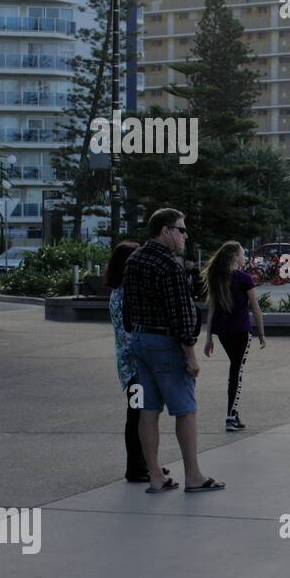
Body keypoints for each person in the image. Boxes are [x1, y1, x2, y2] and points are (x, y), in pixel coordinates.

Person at [123, 208, 223, 493]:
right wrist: (190, 356)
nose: (184, 235)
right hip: (166, 344)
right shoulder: (169, 264)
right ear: (165, 231)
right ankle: (193, 476)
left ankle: (155, 475)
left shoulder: (134, 259)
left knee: (148, 409)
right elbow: (179, 314)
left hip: (140, 342)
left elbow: (127, 307)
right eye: (181, 229)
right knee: (186, 410)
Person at [106, 240, 168, 485]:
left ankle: (146, 463)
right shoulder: (122, 295)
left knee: (142, 414)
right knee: (136, 416)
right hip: (134, 368)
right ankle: (136, 467)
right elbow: (127, 334)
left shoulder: (122, 291)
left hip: (134, 367)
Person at [202, 240, 266, 433]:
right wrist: (261, 333)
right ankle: (231, 415)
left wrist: (209, 337)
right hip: (240, 331)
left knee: (234, 369)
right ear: (235, 257)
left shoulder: (217, 278)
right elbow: (255, 308)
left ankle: (234, 414)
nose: (244, 257)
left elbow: (212, 308)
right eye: (242, 254)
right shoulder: (244, 278)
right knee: (236, 372)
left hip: (222, 332)